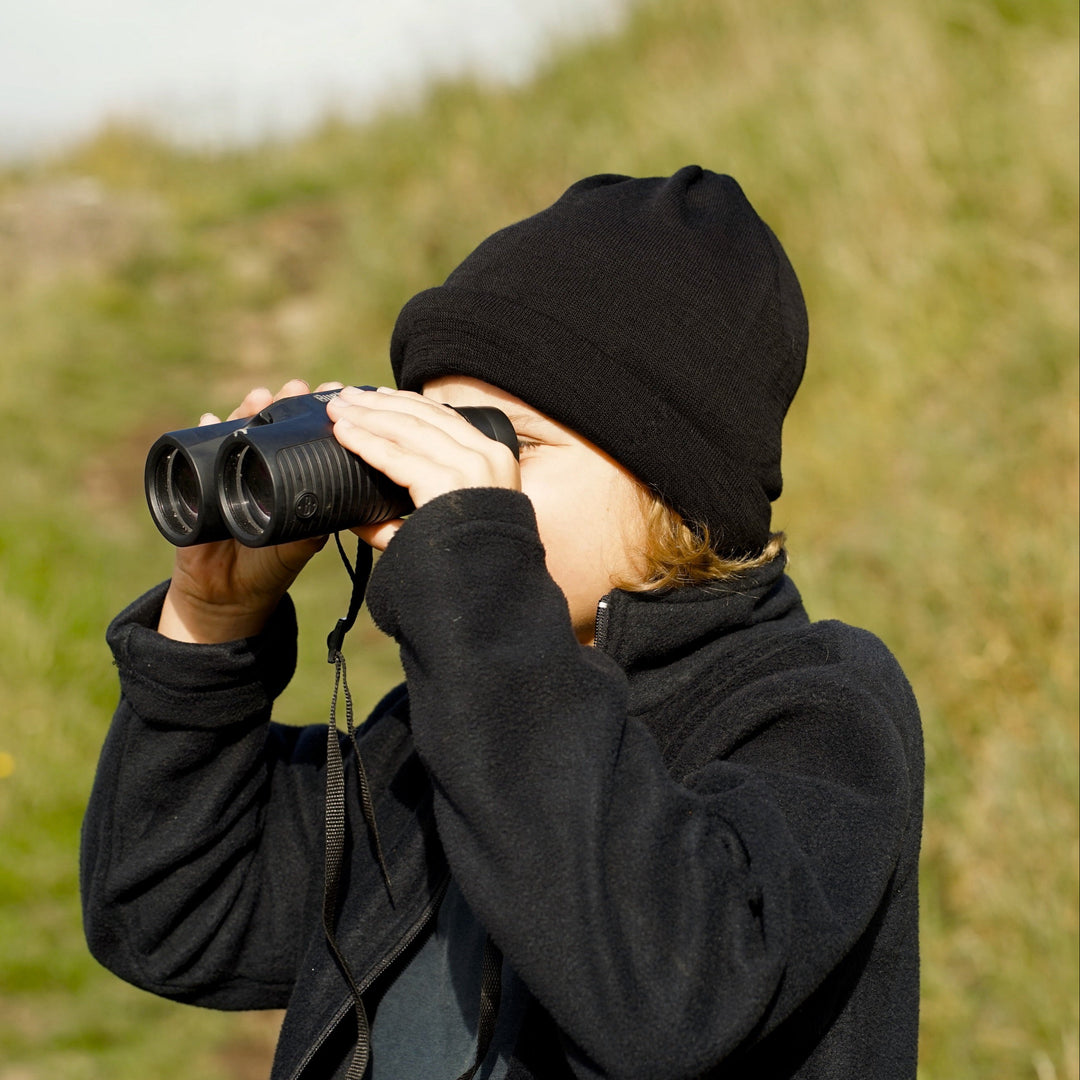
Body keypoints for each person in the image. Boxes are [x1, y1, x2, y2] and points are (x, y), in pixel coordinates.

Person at [81, 166, 923, 1079]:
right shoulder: (443, 728)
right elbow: (174, 918)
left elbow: (668, 996)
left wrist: (479, 585)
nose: (444, 483)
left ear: (674, 483)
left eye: (506, 443)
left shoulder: (818, 710)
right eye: (433, 435)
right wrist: (212, 624)